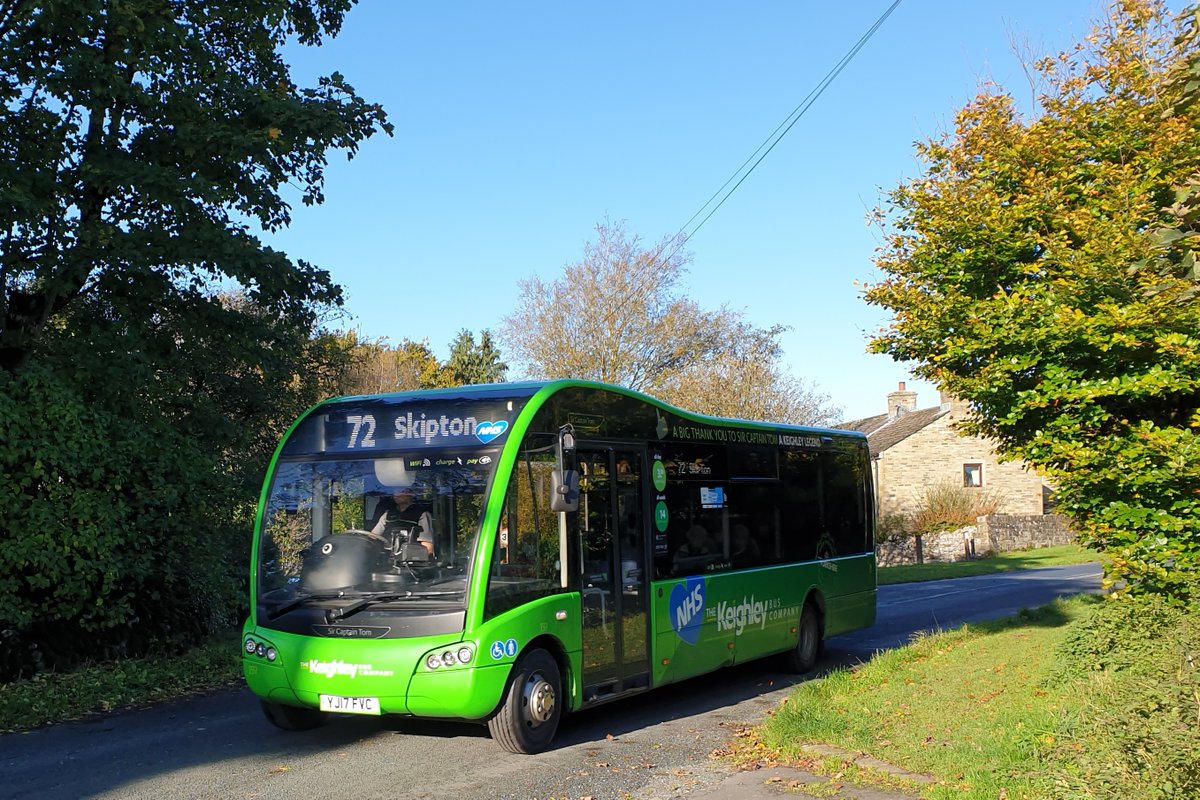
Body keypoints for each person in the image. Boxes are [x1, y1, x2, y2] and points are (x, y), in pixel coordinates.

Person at [371, 484, 435, 557]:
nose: (396, 494)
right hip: (387, 558)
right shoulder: (387, 514)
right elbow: (373, 537)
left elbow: (427, 547)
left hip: (410, 561)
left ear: (410, 494)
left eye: (400, 490)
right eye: (394, 491)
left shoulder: (422, 514)